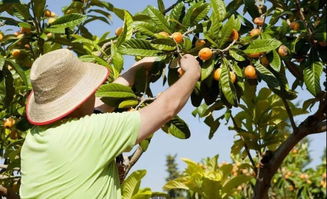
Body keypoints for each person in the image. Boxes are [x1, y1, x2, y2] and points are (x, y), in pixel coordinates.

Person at [20, 49, 200, 199]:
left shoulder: (33, 139)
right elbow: (166, 107)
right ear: (81, 96)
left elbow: (98, 106)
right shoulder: (92, 132)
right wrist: (193, 72)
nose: (94, 92)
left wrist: (136, 67)